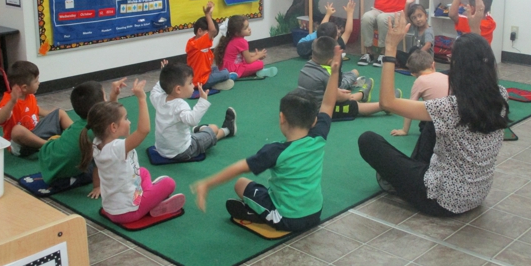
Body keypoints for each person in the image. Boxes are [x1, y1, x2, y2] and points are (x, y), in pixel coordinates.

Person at [358, 12, 509, 216]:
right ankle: (413, 173)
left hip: (441, 201)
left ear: (458, 68)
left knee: (368, 140)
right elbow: (480, 62)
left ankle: (401, 182)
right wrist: (476, 33)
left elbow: (387, 102)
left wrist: (390, 48)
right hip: (477, 195)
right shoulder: (501, 95)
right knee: (431, 124)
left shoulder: (449, 107)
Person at [191, 45, 341, 232]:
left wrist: (207, 184)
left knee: (241, 184)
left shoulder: (275, 151)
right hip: (315, 212)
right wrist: (334, 72)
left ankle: (256, 213)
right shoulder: (318, 136)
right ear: (314, 121)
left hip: (287, 219)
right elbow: (328, 104)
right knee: (267, 188)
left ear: (281, 119)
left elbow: (238, 168)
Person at [78, 79, 185, 223]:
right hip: (128, 213)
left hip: (110, 208)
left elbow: (107, 117)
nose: (129, 122)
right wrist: (141, 98)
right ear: (114, 127)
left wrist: (113, 97)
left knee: (143, 172)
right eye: (126, 119)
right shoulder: (117, 148)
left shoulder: (97, 141)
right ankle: (153, 205)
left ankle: (150, 199)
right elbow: (144, 130)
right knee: (168, 183)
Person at [38, 78, 127, 196]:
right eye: (105, 97)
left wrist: (113, 96)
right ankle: (71, 180)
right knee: (111, 167)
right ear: (99, 108)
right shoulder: (98, 132)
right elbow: (100, 164)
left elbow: (109, 115)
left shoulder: (83, 125)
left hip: (47, 158)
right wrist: (98, 187)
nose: (107, 101)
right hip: (59, 177)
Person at [150, 62, 237, 161]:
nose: (193, 85)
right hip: (183, 150)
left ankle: (200, 130)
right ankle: (227, 130)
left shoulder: (158, 98)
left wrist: (165, 75)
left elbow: (155, 90)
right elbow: (192, 120)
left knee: (198, 130)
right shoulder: (180, 105)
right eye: (190, 83)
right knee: (214, 128)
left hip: (162, 150)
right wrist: (203, 100)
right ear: (178, 89)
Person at [298, 36, 393, 119]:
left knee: (344, 94)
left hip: (308, 106)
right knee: (353, 105)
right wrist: (346, 95)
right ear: (330, 61)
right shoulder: (325, 75)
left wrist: (338, 91)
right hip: (320, 111)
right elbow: (338, 97)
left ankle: (362, 94)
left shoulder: (305, 67)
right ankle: (384, 105)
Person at [0, 60, 73, 157]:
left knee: (59, 112)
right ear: (24, 88)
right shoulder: (8, 101)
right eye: (36, 81)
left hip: (37, 134)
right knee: (17, 130)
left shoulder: (30, 96)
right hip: (21, 145)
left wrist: (51, 115)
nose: (39, 83)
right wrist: (12, 102)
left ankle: (78, 135)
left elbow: (35, 109)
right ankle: (49, 145)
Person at [391, 50, 448, 136]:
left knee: (423, 123)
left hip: (436, 124)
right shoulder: (446, 77)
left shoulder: (420, 81)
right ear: (433, 65)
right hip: (454, 120)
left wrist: (404, 130)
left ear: (413, 74)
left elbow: (410, 108)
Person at [186, 1, 237, 91]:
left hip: (204, 74)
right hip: (200, 81)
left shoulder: (196, 42)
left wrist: (210, 15)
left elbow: (211, 29)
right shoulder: (198, 44)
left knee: (220, 68)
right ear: (200, 31)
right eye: (211, 36)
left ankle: (219, 80)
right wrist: (207, 15)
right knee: (225, 72)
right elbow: (212, 30)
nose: (212, 38)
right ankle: (215, 84)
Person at [396, 2, 434, 68]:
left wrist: (416, 57)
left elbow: (428, 45)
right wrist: (407, 4)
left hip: (424, 59)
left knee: (414, 49)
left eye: (420, 16)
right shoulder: (416, 27)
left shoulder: (428, 31)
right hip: (416, 57)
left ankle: (410, 65)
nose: (418, 20)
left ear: (426, 16)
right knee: (397, 53)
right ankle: (409, 65)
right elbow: (406, 17)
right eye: (414, 18)